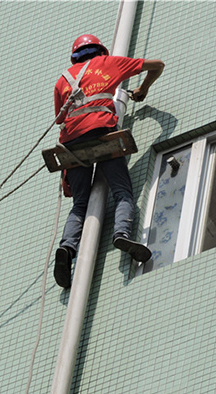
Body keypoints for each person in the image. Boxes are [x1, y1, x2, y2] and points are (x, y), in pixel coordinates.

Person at [53, 34, 165, 289]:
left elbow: (59, 119)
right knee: (122, 192)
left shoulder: (64, 78)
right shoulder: (108, 63)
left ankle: (67, 248)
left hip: (71, 143)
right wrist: (142, 89)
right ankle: (122, 234)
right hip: (102, 133)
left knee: (80, 203)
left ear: (75, 56)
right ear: (100, 51)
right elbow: (158, 64)